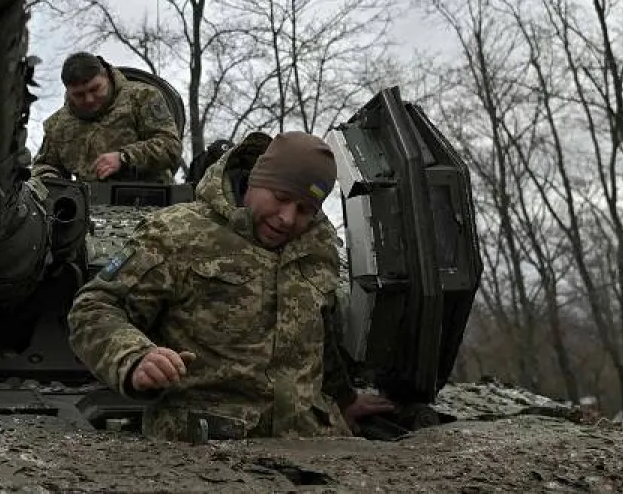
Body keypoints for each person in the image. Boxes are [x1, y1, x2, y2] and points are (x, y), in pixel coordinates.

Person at [66, 130, 397, 441]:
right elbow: (95, 307)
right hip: (203, 449)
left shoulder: (318, 246)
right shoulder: (176, 233)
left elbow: (318, 337)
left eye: (305, 209)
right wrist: (135, 357)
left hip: (311, 445)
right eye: (281, 197)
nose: (287, 218)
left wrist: (345, 398)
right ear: (255, 179)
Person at [29, 53, 183, 183]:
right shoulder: (58, 125)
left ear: (106, 77)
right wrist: (50, 180)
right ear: (68, 92)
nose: (89, 99)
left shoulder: (142, 97)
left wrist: (124, 158)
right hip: (88, 205)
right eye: (79, 95)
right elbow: (45, 166)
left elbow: (171, 147)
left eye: (95, 89)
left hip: (151, 200)